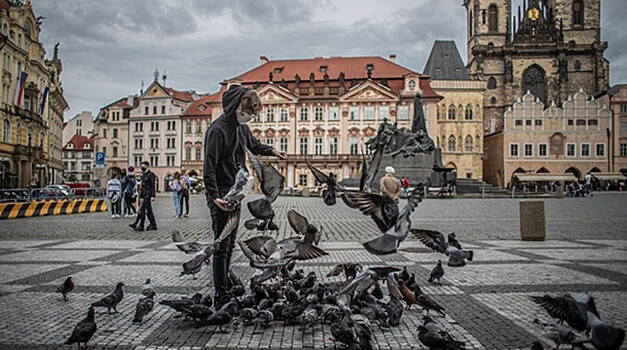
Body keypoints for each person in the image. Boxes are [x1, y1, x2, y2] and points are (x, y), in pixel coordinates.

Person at [203, 85, 287, 308]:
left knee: (229, 245)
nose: (249, 116)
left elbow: (253, 145)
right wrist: (215, 197)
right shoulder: (217, 130)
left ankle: (226, 287)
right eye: (248, 111)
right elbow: (208, 168)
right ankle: (221, 293)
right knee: (221, 246)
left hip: (236, 193)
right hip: (222, 195)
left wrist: (272, 151)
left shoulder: (241, 129)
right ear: (237, 106)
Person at [130, 160, 157, 231]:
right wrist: (140, 196)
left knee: (142, 210)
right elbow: (142, 186)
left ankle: (141, 225)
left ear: (147, 166)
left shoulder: (151, 174)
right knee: (149, 210)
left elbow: (153, 185)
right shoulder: (143, 175)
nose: (141, 168)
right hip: (144, 194)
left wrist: (153, 196)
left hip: (148, 194)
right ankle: (153, 225)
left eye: (143, 166)